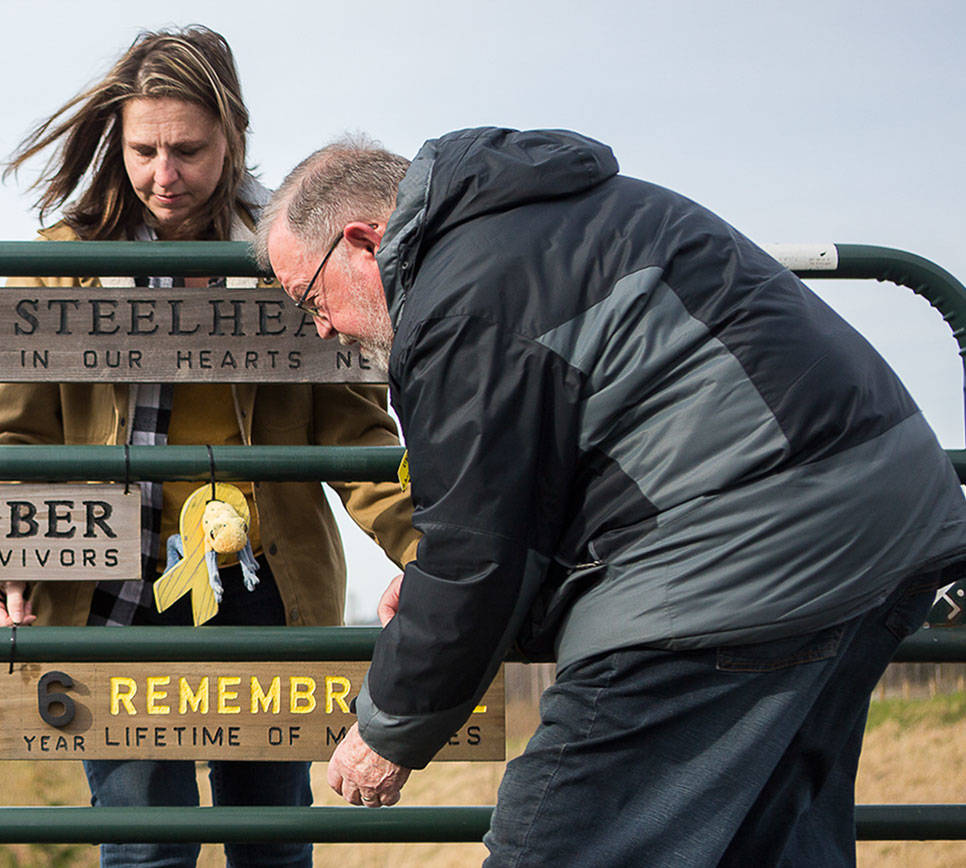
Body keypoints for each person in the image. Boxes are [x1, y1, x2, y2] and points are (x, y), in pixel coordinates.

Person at [257, 129, 966, 866]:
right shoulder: (551, 218)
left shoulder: (460, 301)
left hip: (747, 558)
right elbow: (571, 489)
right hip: (881, 516)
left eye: (310, 298)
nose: (325, 328)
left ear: (364, 242)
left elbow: (481, 552)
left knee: (555, 847)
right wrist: (445, 577)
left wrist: (386, 729)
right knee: (770, 843)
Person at [0, 28, 418, 868]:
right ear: (119, 139)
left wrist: (432, 552)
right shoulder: (62, 265)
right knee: (146, 849)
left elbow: (358, 433)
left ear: (232, 137)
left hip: (264, 591)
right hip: (114, 595)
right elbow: (18, 432)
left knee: (272, 847)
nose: (162, 175)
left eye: (188, 149)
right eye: (144, 149)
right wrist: (6, 554)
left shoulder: (287, 254)